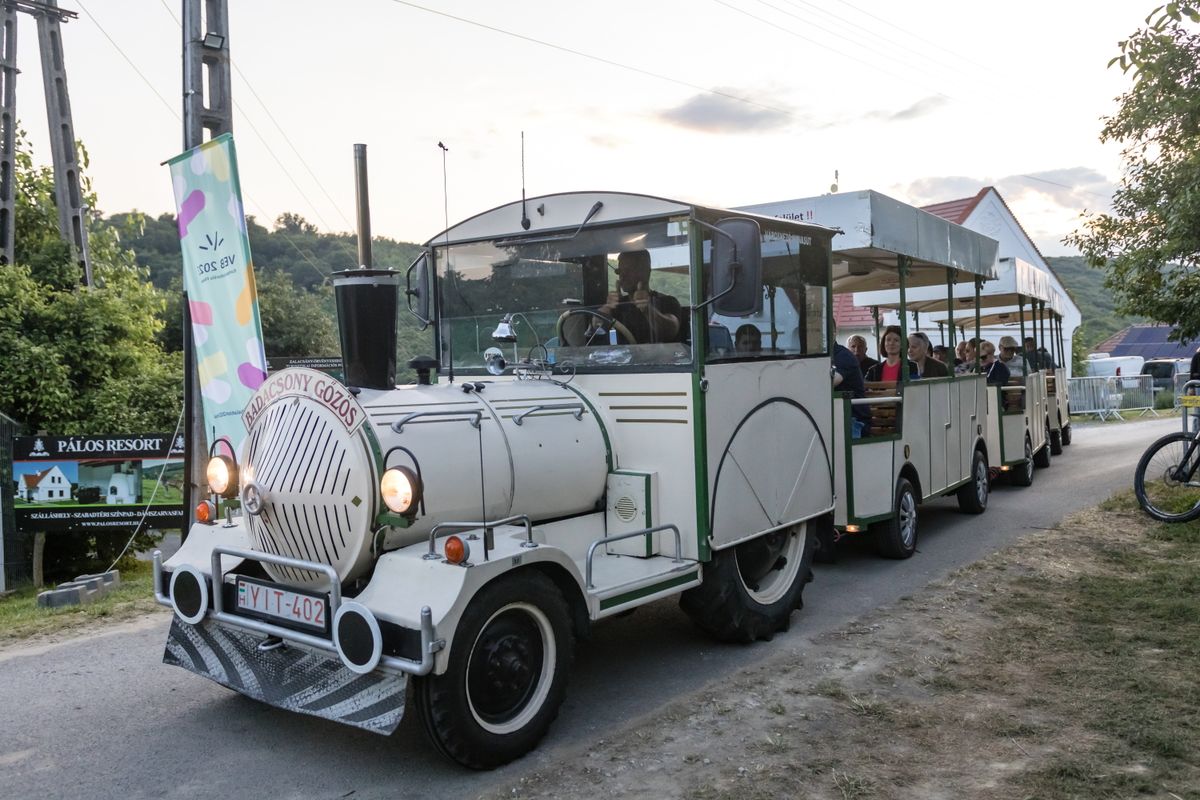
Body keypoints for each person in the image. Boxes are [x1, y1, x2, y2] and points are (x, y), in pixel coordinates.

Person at [596, 250, 685, 344]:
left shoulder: (668, 302)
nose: (623, 275)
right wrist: (607, 308)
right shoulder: (617, 305)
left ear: (646, 273)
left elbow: (670, 332)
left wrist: (647, 309)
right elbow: (596, 327)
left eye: (628, 270)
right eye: (619, 271)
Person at [832, 340, 870, 437]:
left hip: (854, 418)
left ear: (833, 333)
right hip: (835, 416)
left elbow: (830, 382)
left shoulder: (844, 356)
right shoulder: (823, 356)